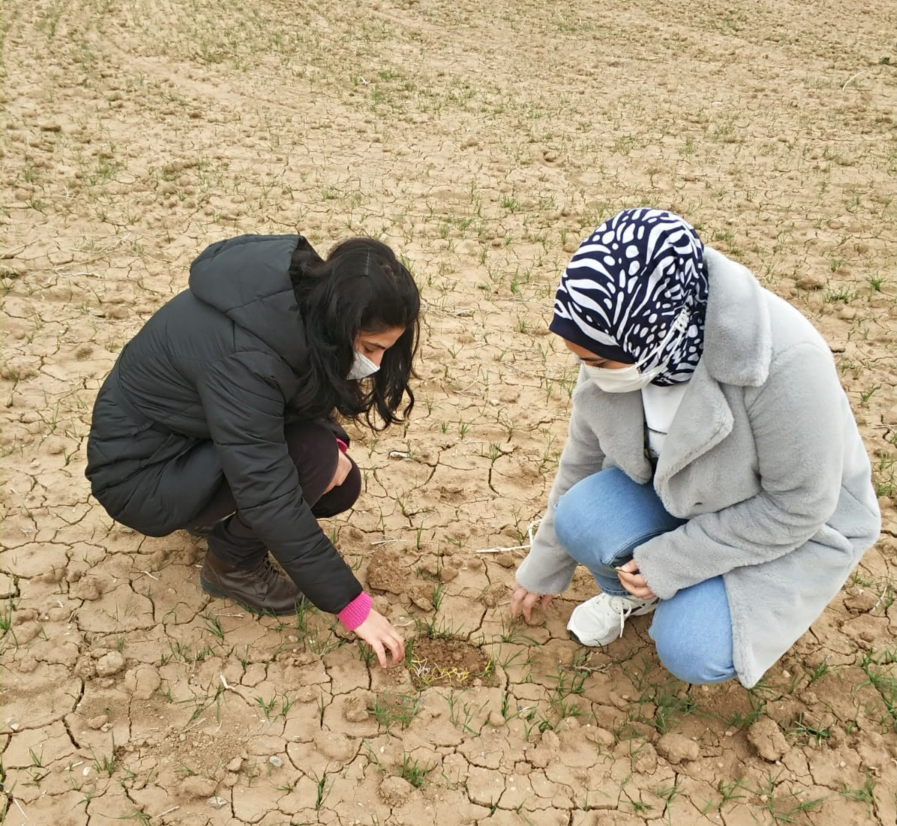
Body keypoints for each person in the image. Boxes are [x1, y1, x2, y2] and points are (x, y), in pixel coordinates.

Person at [510, 208, 881, 688]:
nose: (589, 370)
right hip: (687, 496)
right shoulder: (618, 335)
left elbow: (800, 505)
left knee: (690, 646)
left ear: (657, 333)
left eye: (598, 360)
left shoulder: (786, 361)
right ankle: (639, 594)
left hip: (789, 526)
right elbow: (581, 460)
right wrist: (542, 567)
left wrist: (673, 561)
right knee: (580, 514)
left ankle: (694, 599)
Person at [86, 234, 419, 669]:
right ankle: (231, 567)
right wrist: (353, 606)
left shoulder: (295, 306)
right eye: (370, 347)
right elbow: (267, 489)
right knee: (314, 460)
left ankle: (219, 521)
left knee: (336, 475)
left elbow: (288, 396)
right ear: (340, 319)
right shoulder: (244, 352)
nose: (375, 362)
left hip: (190, 444)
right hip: (141, 475)